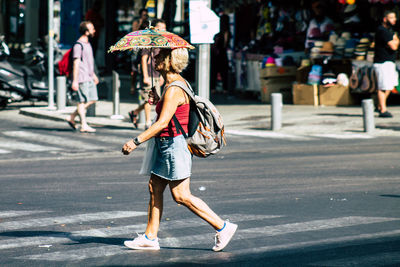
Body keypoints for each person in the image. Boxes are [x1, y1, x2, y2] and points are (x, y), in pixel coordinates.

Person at [121, 48, 238, 251]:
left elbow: (162, 123)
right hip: (167, 144)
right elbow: (174, 113)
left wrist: (135, 141)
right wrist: (157, 101)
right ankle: (150, 237)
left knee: (181, 195)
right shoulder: (170, 86)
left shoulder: (175, 88)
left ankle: (223, 227)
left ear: (169, 61)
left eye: (159, 56)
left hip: (174, 146)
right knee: (154, 187)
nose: (154, 58)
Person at [128, 19, 166, 129]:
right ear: (156, 29)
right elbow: (143, 59)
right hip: (149, 75)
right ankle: (148, 122)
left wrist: (162, 76)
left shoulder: (161, 43)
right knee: (148, 98)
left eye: (165, 28)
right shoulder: (148, 42)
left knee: (155, 99)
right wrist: (145, 76)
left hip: (157, 75)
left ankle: (134, 112)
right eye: (161, 28)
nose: (164, 30)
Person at [66, 21, 99, 133]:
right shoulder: (78, 45)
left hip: (89, 77)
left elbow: (89, 62)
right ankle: (83, 125)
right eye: (92, 29)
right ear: (86, 32)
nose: (94, 31)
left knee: (93, 99)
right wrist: (75, 81)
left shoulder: (88, 44)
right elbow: (76, 63)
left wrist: (93, 75)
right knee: (82, 101)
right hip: (81, 78)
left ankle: (72, 117)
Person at [373, 10, 399, 118]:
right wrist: (396, 40)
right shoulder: (382, 31)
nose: (394, 20)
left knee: (389, 85)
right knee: (383, 86)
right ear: (385, 19)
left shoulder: (389, 31)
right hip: (382, 62)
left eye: (395, 18)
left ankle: (379, 105)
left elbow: (394, 43)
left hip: (389, 61)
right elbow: (394, 46)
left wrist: (395, 40)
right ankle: (382, 109)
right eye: (392, 17)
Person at [211, 14, 231, 95]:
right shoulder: (227, 33)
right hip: (222, 54)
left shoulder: (218, 33)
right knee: (224, 72)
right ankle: (224, 88)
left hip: (216, 54)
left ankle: (213, 88)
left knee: (214, 72)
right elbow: (225, 44)